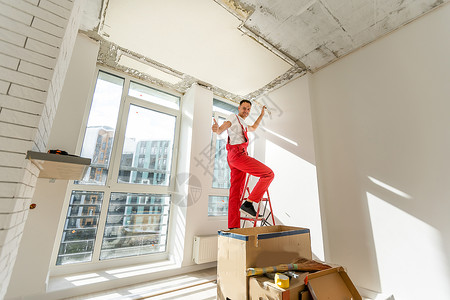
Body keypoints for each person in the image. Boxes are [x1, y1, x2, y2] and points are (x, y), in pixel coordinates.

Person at [212, 100, 274, 229]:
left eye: (248, 109)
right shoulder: (233, 117)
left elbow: (253, 127)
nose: (246, 111)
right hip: (238, 155)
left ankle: (233, 226)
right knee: (268, 174)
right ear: (239, 108)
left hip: (234, 158)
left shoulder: (243, 123)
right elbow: (222, 129)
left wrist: (261, 115)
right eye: (244, 108)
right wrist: (218, 129)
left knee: (236, 193)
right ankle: (249, 203)